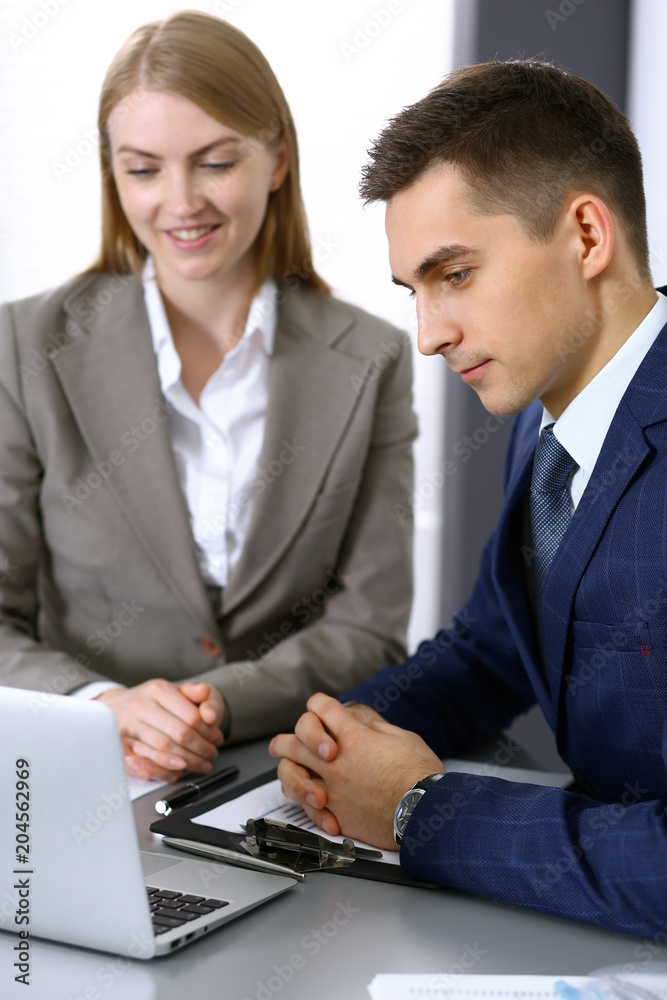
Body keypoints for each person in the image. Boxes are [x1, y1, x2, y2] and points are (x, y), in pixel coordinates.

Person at [270, 59, 667, 939]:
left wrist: (420, 811)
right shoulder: (545, 423)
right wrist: (338, 739)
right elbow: (492, 648)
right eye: (414, 292)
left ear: (587, 237)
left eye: (454, 275)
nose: (428, 336)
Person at [0, 12, 416, 783]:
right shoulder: (23, 346)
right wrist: (105, 703)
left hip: (280, 775)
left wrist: (211, 706)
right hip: (72, 772)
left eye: (215, 161)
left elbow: (368, 627)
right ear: (111, 173)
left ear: (278, 160)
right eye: (143, 168)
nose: (180, 201)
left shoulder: (371, 357)